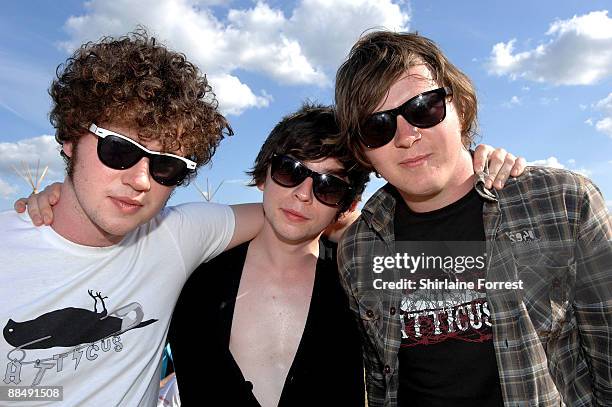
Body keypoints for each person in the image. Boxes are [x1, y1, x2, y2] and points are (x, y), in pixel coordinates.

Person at [334, 30, 611, 407]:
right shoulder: (357, 247)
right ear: (364, 152)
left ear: (460, 107)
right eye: (377, 126)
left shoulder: (563, 202)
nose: (406, 135)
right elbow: (380, 378)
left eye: (423, 108)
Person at [0, 30, 262, 406]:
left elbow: (286, 214)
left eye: (166, 166)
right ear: (71, 139)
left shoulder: (174, 237)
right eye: (118, 149)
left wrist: (346, 221)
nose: (140, 180)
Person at [168, 104, 369, 407]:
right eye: (291, 170)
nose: (303, 194)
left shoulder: (362, 285)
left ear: (346, 205)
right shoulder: (190, 279)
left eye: (328, 186)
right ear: (264, 174)